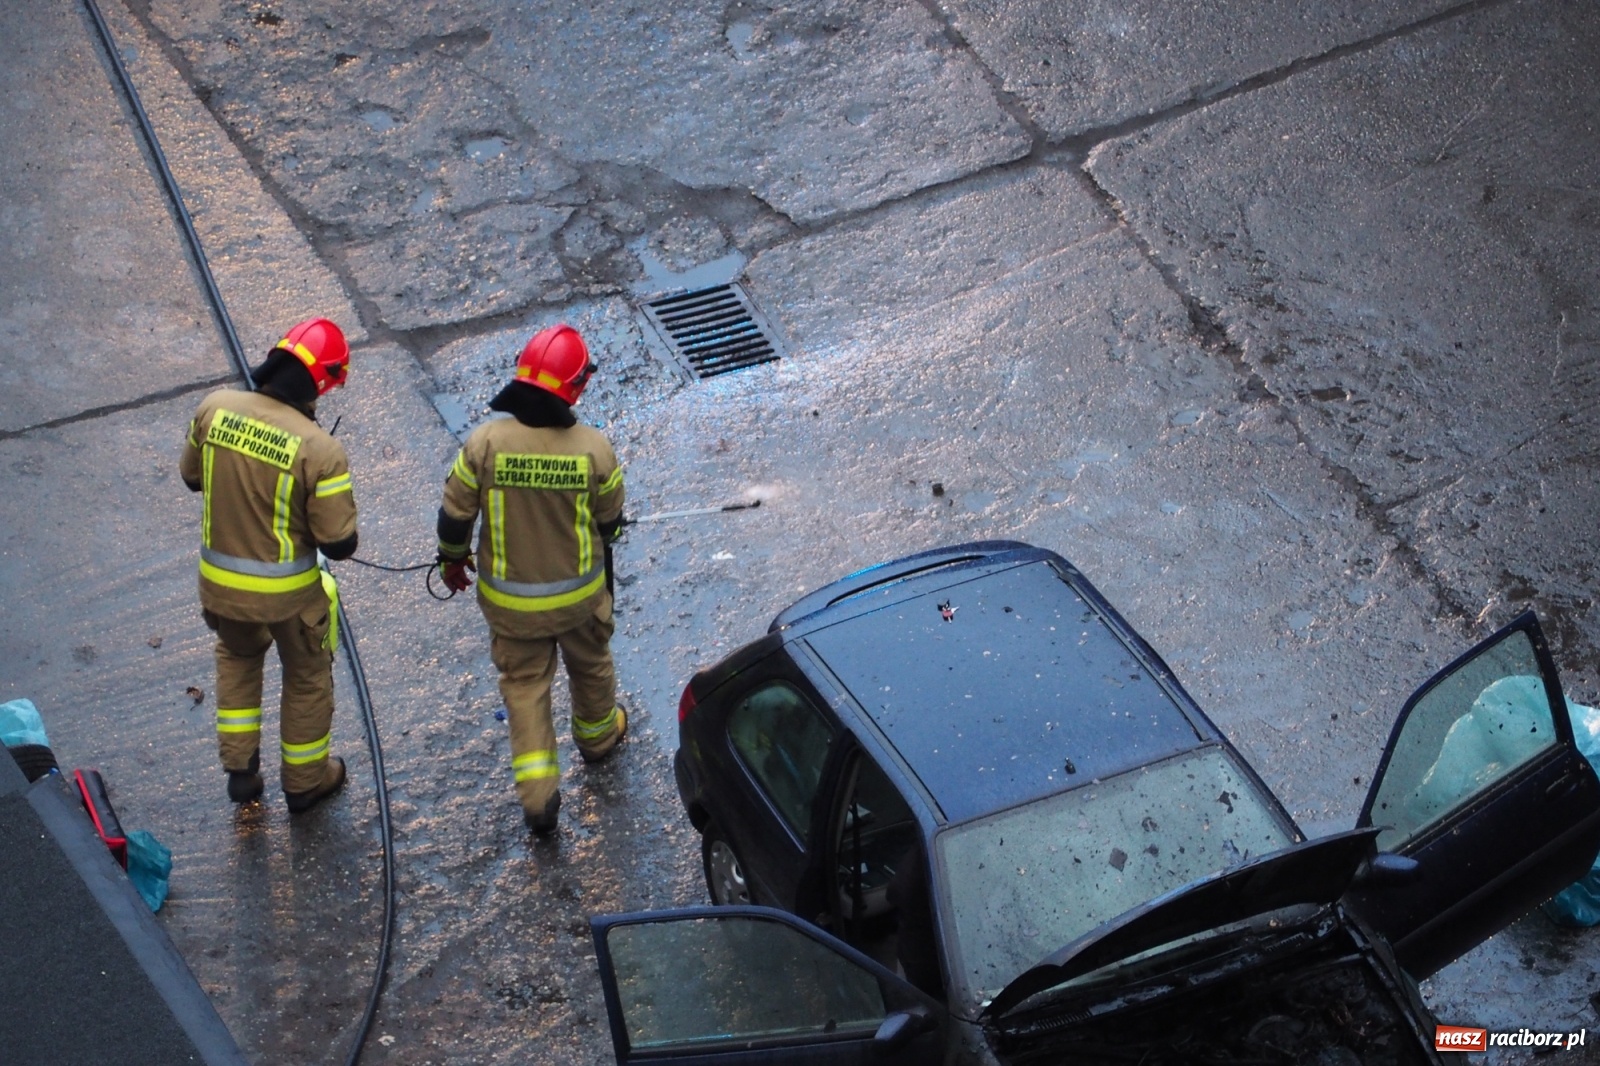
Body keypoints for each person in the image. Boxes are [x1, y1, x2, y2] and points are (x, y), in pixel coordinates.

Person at [435, 323, 627, 835]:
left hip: (511, 608)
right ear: (576, 388)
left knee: (523, 691)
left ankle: (539, 798)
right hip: (581, 602)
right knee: (590, 669)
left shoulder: (485, 444)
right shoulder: (594, 450)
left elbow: (455, 518)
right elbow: (610, 525)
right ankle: (599, 740)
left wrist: (451, 561)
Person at [179, 317, 357, 812]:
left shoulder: (214, 409)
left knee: (237, 659)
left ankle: (241, 770)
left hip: (219, 590)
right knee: (306, 676)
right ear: (323, 381)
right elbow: (338, 541)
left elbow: (191, 478)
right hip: (290, 599)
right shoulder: (321, 450)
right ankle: (305, 783)